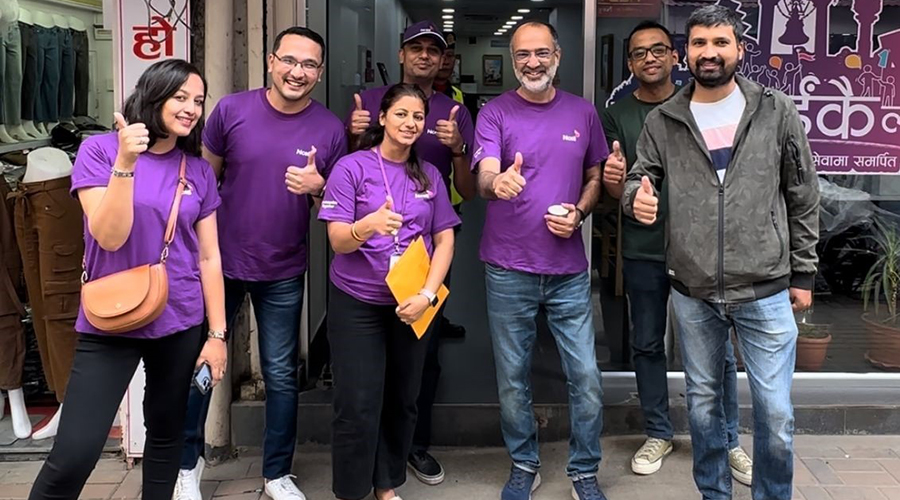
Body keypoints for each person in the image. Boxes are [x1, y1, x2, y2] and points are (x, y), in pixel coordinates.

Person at [622, 6, 820, 500]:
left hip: (765, 287)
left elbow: (802, 192)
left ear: (739, 50)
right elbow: (638, 178)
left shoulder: (775, 110)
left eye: (720, 42)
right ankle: (714, 494)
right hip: (693, 291)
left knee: (776, 414)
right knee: (704, 406)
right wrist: (634, 198)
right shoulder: (665, 119)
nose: (708, 52)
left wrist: (804, 273)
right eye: (699, 43)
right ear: (685, 53)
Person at [27, 59, 226, 500]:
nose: (191, 108)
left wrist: (217, 335)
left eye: (198, 101)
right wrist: (125, 161)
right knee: (75, 452)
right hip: (110, 320)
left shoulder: (197, 170)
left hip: (179, 318)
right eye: (180, 97)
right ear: (152, 95)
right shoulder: (100, 151)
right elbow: (109, 235)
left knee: (166, 435)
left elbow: (209, 256)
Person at [174, 27, 347, 500]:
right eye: (289, 60)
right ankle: (187, 465)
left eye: (309, 64)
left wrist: (319, 187)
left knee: (281, 375)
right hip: (219, 265)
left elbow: (336, 210)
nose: (297, 72)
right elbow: (204, 182)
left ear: (319, 73)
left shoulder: (329, 128)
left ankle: (276, 474)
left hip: (284, 269)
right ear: (271, 61)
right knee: (201, 366)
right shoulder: (231, 110)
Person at [602, 20, 752, 483]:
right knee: (647, 343)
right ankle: (658, 432)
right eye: (639, 52)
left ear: (675, 56)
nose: (649, 58)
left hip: (701, 251)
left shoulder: (702, 104)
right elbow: (619, 189)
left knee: (716, 352)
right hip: (644, 249)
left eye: (658, 50)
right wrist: (614, 183)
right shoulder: (618, 114)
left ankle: (727, 438)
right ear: (629, 64)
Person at [472, 21, 607, 500]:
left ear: (558, 56)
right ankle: (524, 463)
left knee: (586, 377)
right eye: (523, 55)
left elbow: (595, 176)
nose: (533, 62)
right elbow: (485, 176)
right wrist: (497, 183)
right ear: (513, 60)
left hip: (568, 270)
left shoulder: (583, 112)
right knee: (513, 379)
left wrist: (580, 212)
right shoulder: (494, 113)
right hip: (508, 267)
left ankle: (584, 470)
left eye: (541, 53)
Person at [347, 19, 474, 485]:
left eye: (433, 50)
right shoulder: (370, 102)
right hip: (366, 254)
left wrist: (457, 149)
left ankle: (413, 446)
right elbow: (345, 172)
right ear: (400, 54)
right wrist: (352, 133)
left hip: (425, 254)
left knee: (424, 353)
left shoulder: (452, 110)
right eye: (415, 48)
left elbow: (468, 190)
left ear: (443, 60)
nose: (424, 55)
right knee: (368, 359)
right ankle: (368, 453)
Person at [320, 83, 460, 500]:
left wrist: (428, 296)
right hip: (356, 302)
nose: (410, 123)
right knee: (357, 401)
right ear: (382, 118)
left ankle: (386, 484)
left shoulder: (429, 174)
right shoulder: (351, 168)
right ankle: (351, 490)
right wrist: (368, 226)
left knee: (402, 398)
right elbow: (338, 241)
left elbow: (445, 239)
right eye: (401, 113)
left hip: (412, 302)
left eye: (418, 116)